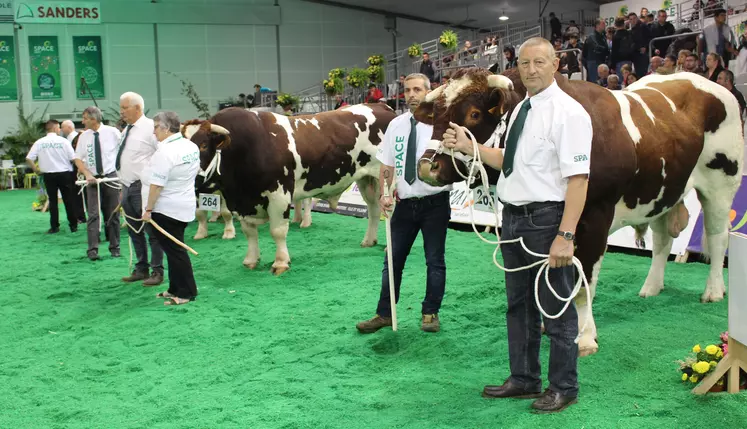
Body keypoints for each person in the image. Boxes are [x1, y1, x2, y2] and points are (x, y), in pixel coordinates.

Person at [442, 37, 591, 413]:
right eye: (525, 63)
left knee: (556, 307)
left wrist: (566, 235)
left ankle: (564, 386)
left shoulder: (569, 113)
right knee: (519, 305)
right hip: (513, 218)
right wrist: (468, 146)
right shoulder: (520, 109)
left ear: (556, 64)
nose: (531, 69)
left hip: (547, 219)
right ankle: (524, 379)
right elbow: (509, 159)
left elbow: (578, 180)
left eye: (539, 62)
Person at [356, 72, 453, 334]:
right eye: (408, 90)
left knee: (434, 260)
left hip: (435, 203)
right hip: (404, 204)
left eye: (417, 89)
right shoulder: (396, 125)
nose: (412, 94)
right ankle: (385, 314)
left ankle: (430, 313)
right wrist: (385, 193)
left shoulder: (442, 124)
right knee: (392, 260)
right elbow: (387, 164)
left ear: (428, 92)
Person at [141, 111, 200, 306]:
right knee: (173, 249)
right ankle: (175, 287)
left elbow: (157, 185)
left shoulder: (165, 151)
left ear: (166, 128)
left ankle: (186, 292)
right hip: (184, 205)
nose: (154, 132)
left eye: (156, 127)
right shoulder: (190, 145)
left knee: (175, 251)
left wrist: (148, 210)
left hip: (166, 208)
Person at [116, 92, 165, 286]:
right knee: (134, 230)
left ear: (138, 108)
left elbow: (162, 154)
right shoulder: (126, 129)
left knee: (151, 230)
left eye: (124, 107)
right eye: (121, 107)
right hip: (127, 186)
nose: (121, 112)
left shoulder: (150, 128)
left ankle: (157, 271)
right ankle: (141, 268)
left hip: (143, 186)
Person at [73, 106, 122, 261]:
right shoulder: (84, 136)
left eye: (85, 118)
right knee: (93, 214)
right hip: (92, 179)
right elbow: (78, 158)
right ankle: (92, 249)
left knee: (113, 213)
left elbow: (123, 151)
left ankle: (115, 247)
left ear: (94, 119)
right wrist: (87, 173)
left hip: (110, 177)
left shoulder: (112, 132)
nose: (82, 121)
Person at [25, 120, 78, 234]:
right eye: (59, 127)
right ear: (55, 128)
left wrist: (36, 170)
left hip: (48, 175)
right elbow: (73, 158)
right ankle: (73, 225)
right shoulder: (63, 141)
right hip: (65, 174)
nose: (59, 130)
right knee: (68, 200)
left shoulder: (40, 142)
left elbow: (29, 158)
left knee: (52, 201)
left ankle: (54, 226)